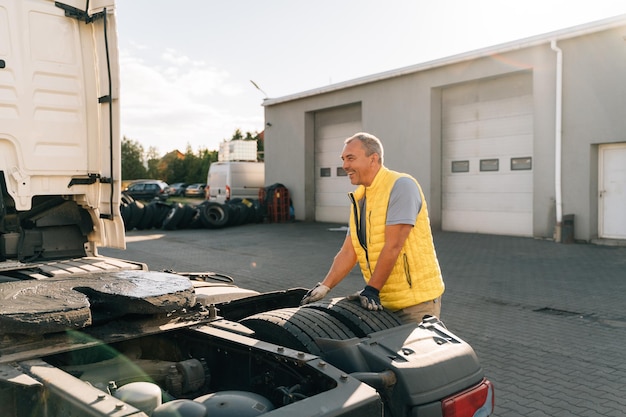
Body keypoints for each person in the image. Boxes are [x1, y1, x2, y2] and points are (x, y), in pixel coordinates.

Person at [300, 132, 444, 323]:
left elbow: (393, 245)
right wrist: (325, 286)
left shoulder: (401, 186)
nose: (345, 166)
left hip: (414, 304)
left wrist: (371, 289)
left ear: (373, 158)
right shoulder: (360, 198)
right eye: (343, 159)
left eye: (351, 158)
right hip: (381, 301)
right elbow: (349, 251)